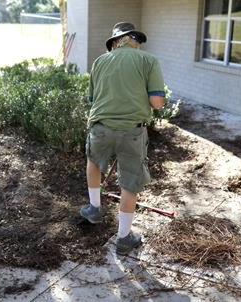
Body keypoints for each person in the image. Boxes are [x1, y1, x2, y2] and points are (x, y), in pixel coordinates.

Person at [80, 22, 166, 255]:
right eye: (138, 41)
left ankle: (95, 208)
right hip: (132, 132)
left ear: (115, 42)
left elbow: (92, 99)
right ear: (134, 40)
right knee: (129, 182)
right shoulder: (148, 61)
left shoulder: (99, 62)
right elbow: (157, 103)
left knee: (94, 163)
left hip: (100, 128)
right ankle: (124, 238)